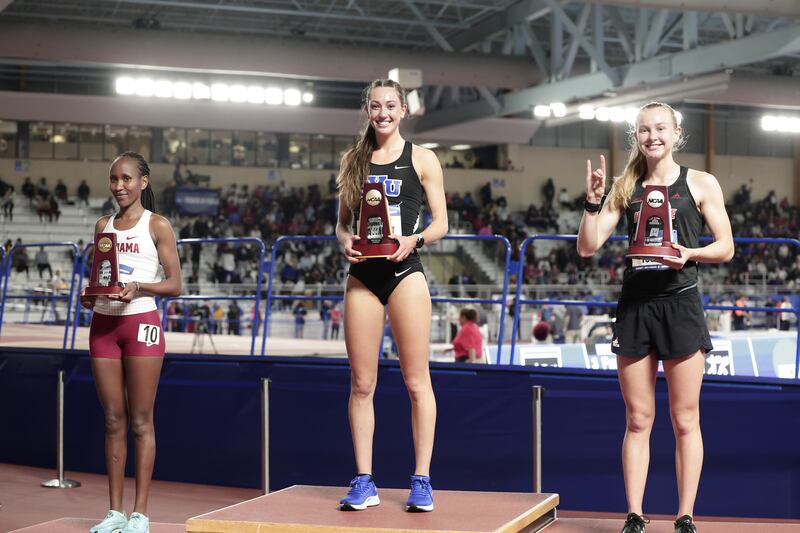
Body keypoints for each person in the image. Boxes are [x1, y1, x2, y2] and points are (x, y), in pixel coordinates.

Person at [576, 102, 733, 533]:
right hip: (635, 308)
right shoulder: (625, 186)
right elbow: (587, 246)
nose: (653, 137)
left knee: (685, 419)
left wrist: (691, 253)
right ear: (636, 137)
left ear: (677, 134)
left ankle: (685, 516)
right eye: (644, 130)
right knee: (638, 419)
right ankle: (634, 514)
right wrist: (592, 203)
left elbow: (726, 246)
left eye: (661, 129)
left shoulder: (701, 182)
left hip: (681, 306)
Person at [335, 78, 447, 512]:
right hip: (363, 276)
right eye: (376, 106)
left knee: (417, 382)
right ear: (367, 111)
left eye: (390, 106)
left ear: (403, 110)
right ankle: (364, 481)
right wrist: (344, 239)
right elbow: (342, 224)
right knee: (362, 384)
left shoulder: (423, 158)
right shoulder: (353, 160)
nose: (382, 113)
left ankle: (422, 480)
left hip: (405, 273)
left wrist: (413, 240)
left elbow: (441, 223)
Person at [80, 152, 181, 533]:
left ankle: (140, 514)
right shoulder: (102, 225)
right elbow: (100, 275)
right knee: (112, 420)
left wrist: (140, 286)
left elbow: (175, 284)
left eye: (126, 179)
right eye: (114, 179)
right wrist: (89, 295)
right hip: (103, 326)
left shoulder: (157, 225)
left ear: (143, 182)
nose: (119, 186)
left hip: (141, 324)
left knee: (140, 422)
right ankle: (114, 513)